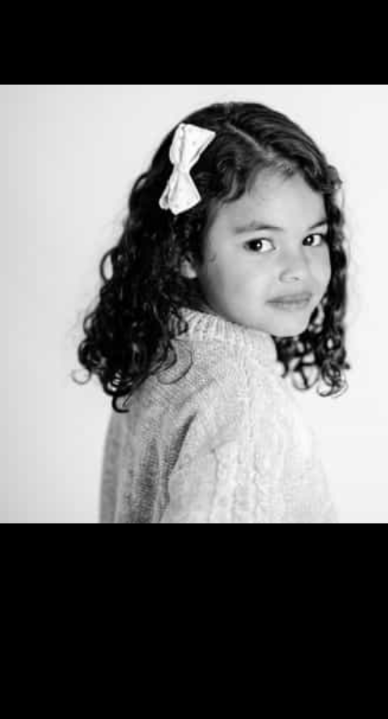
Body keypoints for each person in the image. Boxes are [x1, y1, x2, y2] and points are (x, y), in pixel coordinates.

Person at [73, 101, 351, 523]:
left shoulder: (159, 352)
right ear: (184, 250)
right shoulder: (243, 402)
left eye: (312, 238)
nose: (298, 269)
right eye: (260, 244)